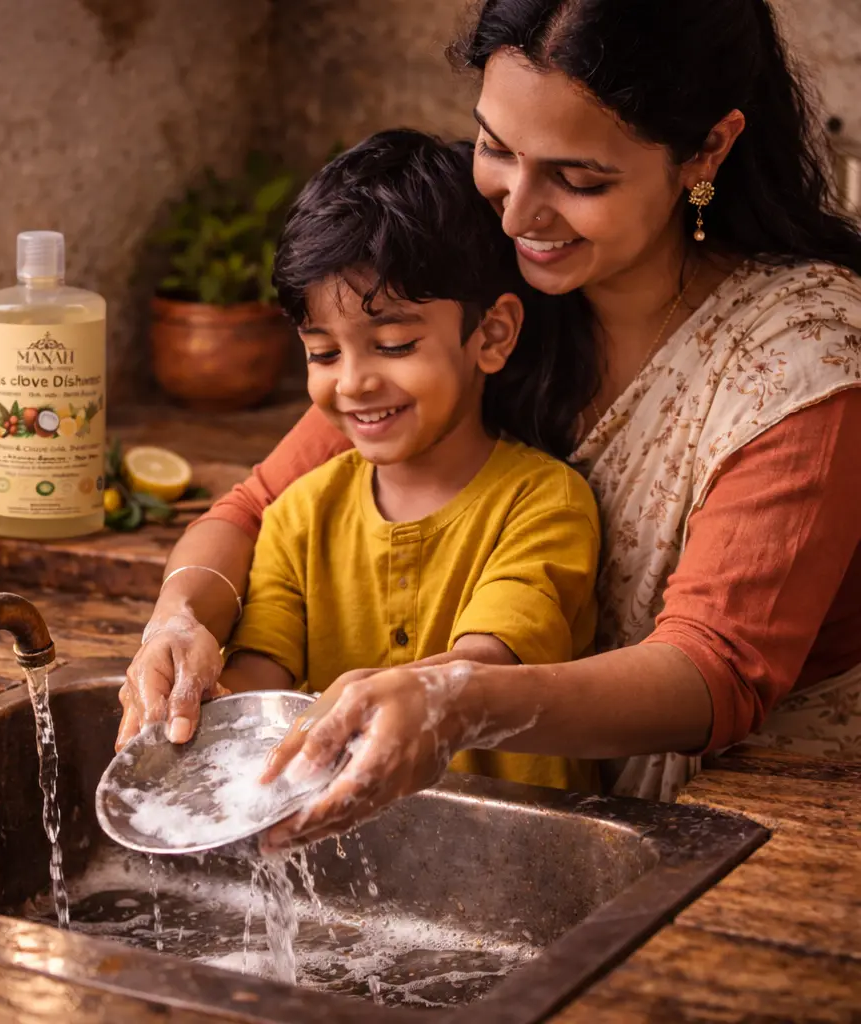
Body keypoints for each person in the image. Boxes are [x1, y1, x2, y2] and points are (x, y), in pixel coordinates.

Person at [118, 0, 861, 848]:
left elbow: (713, 672)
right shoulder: (499, 283)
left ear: (707, 150)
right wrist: (180, 619)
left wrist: (458, 702)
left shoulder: (804, 357)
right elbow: (254, 509)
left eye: (579, 179)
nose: (517, 216)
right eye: (497, 149)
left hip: (788, 813)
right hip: (564, 794)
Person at [217, 129, 600, 792]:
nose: (353, 383)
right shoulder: (296, 519)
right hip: (345, 845)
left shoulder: (544, 503)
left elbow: (487, 659)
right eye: (324, 353)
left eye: (393, 344)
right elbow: (259, 676)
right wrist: (197, 700)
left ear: (492, 335)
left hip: (514, 847)